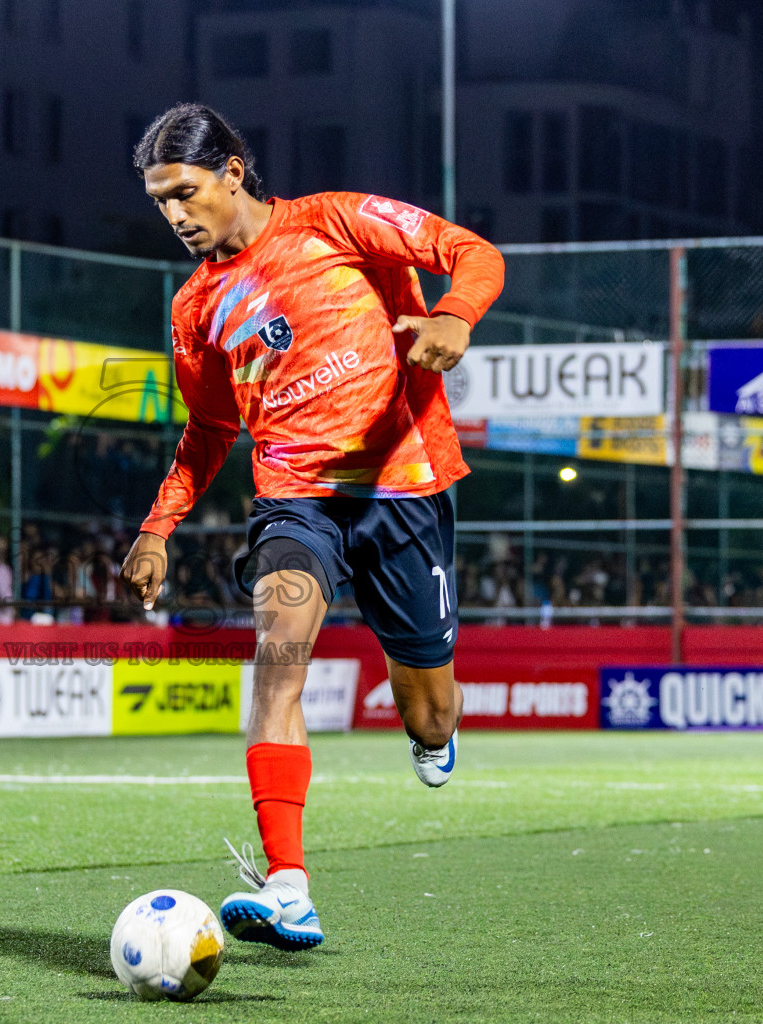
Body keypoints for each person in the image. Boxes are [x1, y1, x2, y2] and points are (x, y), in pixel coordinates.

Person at [120, 104, 503, 950]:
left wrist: (455, 314)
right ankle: (288, 885)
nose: (175, 215)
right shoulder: (194, 308)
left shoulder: (336, 221)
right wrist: (158, 526)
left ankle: (432, 733)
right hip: (296, 501)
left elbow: (472, 251)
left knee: (431, 715)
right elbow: (209, 429)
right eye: (159, 202)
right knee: (277, 657)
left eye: (184, 192)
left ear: (232, 172)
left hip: (403, 490)